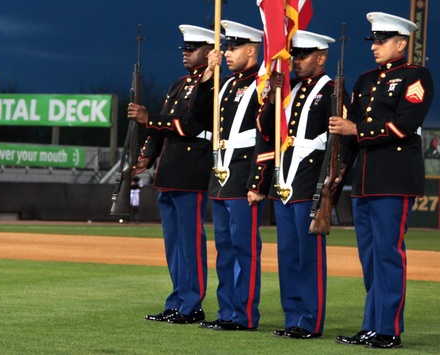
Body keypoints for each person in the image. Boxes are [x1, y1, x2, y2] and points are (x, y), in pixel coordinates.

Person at [330, 12, 433, 350]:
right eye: (373, 40)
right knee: (370, 257)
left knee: (388, 254)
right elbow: (347, 139)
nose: (374, 46)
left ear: (401, 43)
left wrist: (356, 129)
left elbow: (403, 125)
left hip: (395, 179)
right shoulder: (365, 80)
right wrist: (337, 173)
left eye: (381, 40)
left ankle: (388, 330)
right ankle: (371, 325)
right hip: (364, 182)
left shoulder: (416, 77)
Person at [127, 24, 216, 325]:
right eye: (185, 49)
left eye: (192, 49)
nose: (186, 54)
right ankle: (177, 300)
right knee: (174, 244)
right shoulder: (177, 85)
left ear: (210, 51)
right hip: (169, 172)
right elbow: (161, 130)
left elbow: (189, 125)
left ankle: (192, 305)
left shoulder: (214, 85)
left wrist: (148, 118)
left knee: (190, 243)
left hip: (192, 171)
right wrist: (146, 156)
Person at [256, 30, 340, 340]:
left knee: (309, 257)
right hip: (285, 180)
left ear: (321, 57)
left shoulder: (332, 90)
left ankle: (311, 321)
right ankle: (293, 317)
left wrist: (332, 181)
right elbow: (266, 130)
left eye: (303, 56)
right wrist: (272, 98)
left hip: (310, 181)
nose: (297, 62)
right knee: (288, 256)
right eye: (295, 56)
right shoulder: (289, 91)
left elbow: (338, 142)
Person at [192, 19, 269, 331]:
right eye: (226, 47)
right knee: (224, 248)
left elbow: (267, 135)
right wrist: (209, 73)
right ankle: (226, 312)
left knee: (244, 248)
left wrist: (257, 181)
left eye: (233, 47)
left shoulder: (261, 84)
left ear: (251, 50)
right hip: (221, 174)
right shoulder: (226, 83)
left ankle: (245, 314)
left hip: (243, 174)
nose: (226, 52)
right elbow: (197, 114)